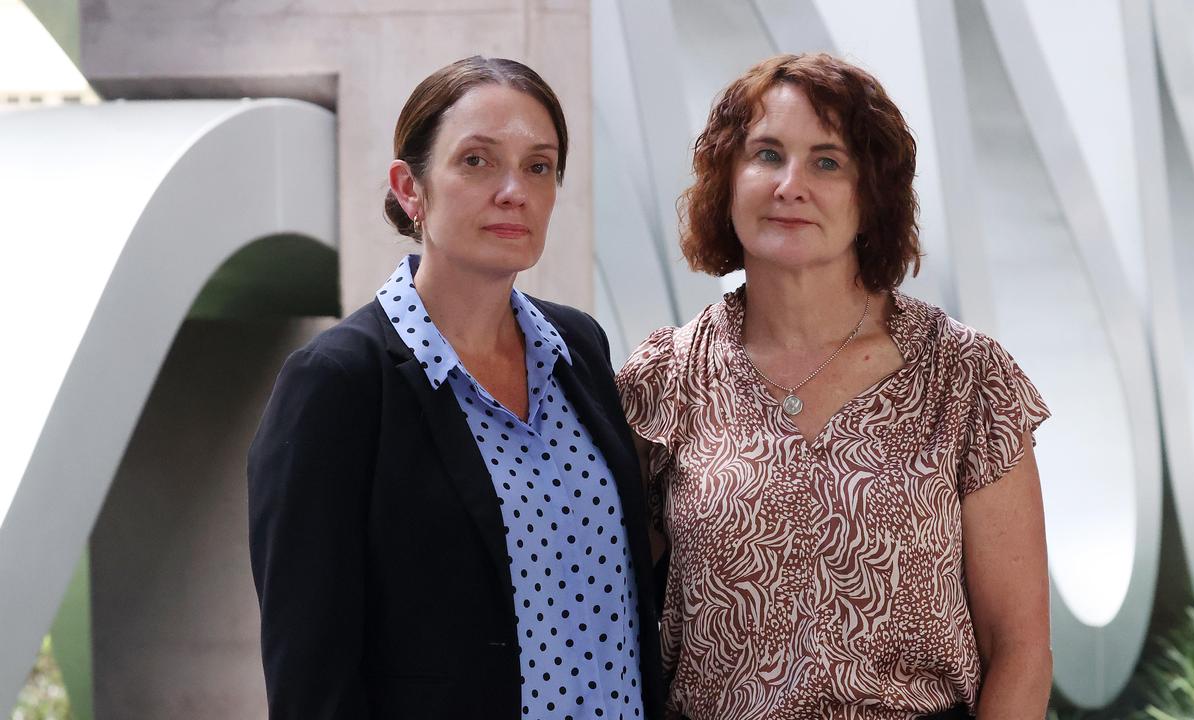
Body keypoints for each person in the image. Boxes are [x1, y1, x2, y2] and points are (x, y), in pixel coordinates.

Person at [616, 53, 1052, 720]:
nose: (791, 185)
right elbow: (607, 623)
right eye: (766, 154)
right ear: (727, 181)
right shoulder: (665, 380)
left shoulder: (966, 377)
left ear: (871, 195)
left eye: (827, 161)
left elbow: (1020, 650)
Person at [248, 56, 662, 719]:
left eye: (538, 166)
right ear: (411, 189)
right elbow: (310, 674)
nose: (513, 191)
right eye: (476, 161)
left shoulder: (578, 349)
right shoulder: (338, 384)